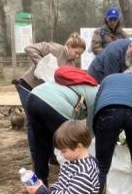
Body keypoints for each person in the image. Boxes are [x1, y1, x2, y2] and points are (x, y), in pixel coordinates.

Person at [15, 33, 86, 162]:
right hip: (29, 86)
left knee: (49, 121)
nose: (77, 56)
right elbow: (29, 49)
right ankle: (36, 155)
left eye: (80, 55)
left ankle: (52, 154)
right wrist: (43, 64)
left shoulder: (71, 64)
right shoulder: (55, 49)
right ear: (69, 46)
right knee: (33, 122)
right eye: (76, 53)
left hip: (44, 94)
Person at [26, 75, 98, 187]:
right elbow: (90, 128)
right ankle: (74, 181)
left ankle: (40, 183)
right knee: (69, 145)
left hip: (33, 97)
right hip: (53, 103)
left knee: (41, 145)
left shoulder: (87, 86)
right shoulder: (97, 95)